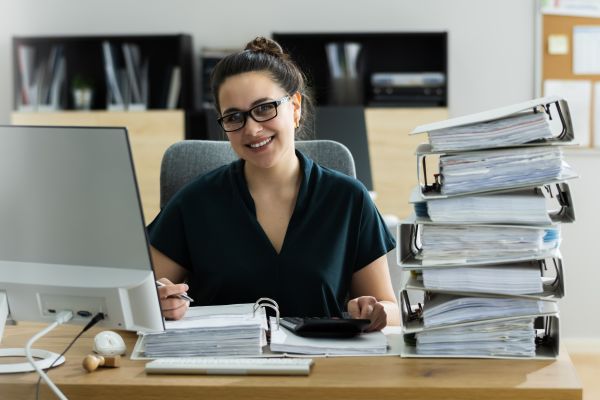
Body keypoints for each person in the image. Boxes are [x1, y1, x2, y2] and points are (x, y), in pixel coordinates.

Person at [149, 37, 400, 331]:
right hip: (222, 365)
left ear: (295, 107)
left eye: (265, 108)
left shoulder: (348, 199)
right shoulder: (194, 202)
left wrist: (375, 311)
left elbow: (390, 308)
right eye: (234, 117)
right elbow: (141, 295)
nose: (252, 129)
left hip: (322, 365)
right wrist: (160, 300)